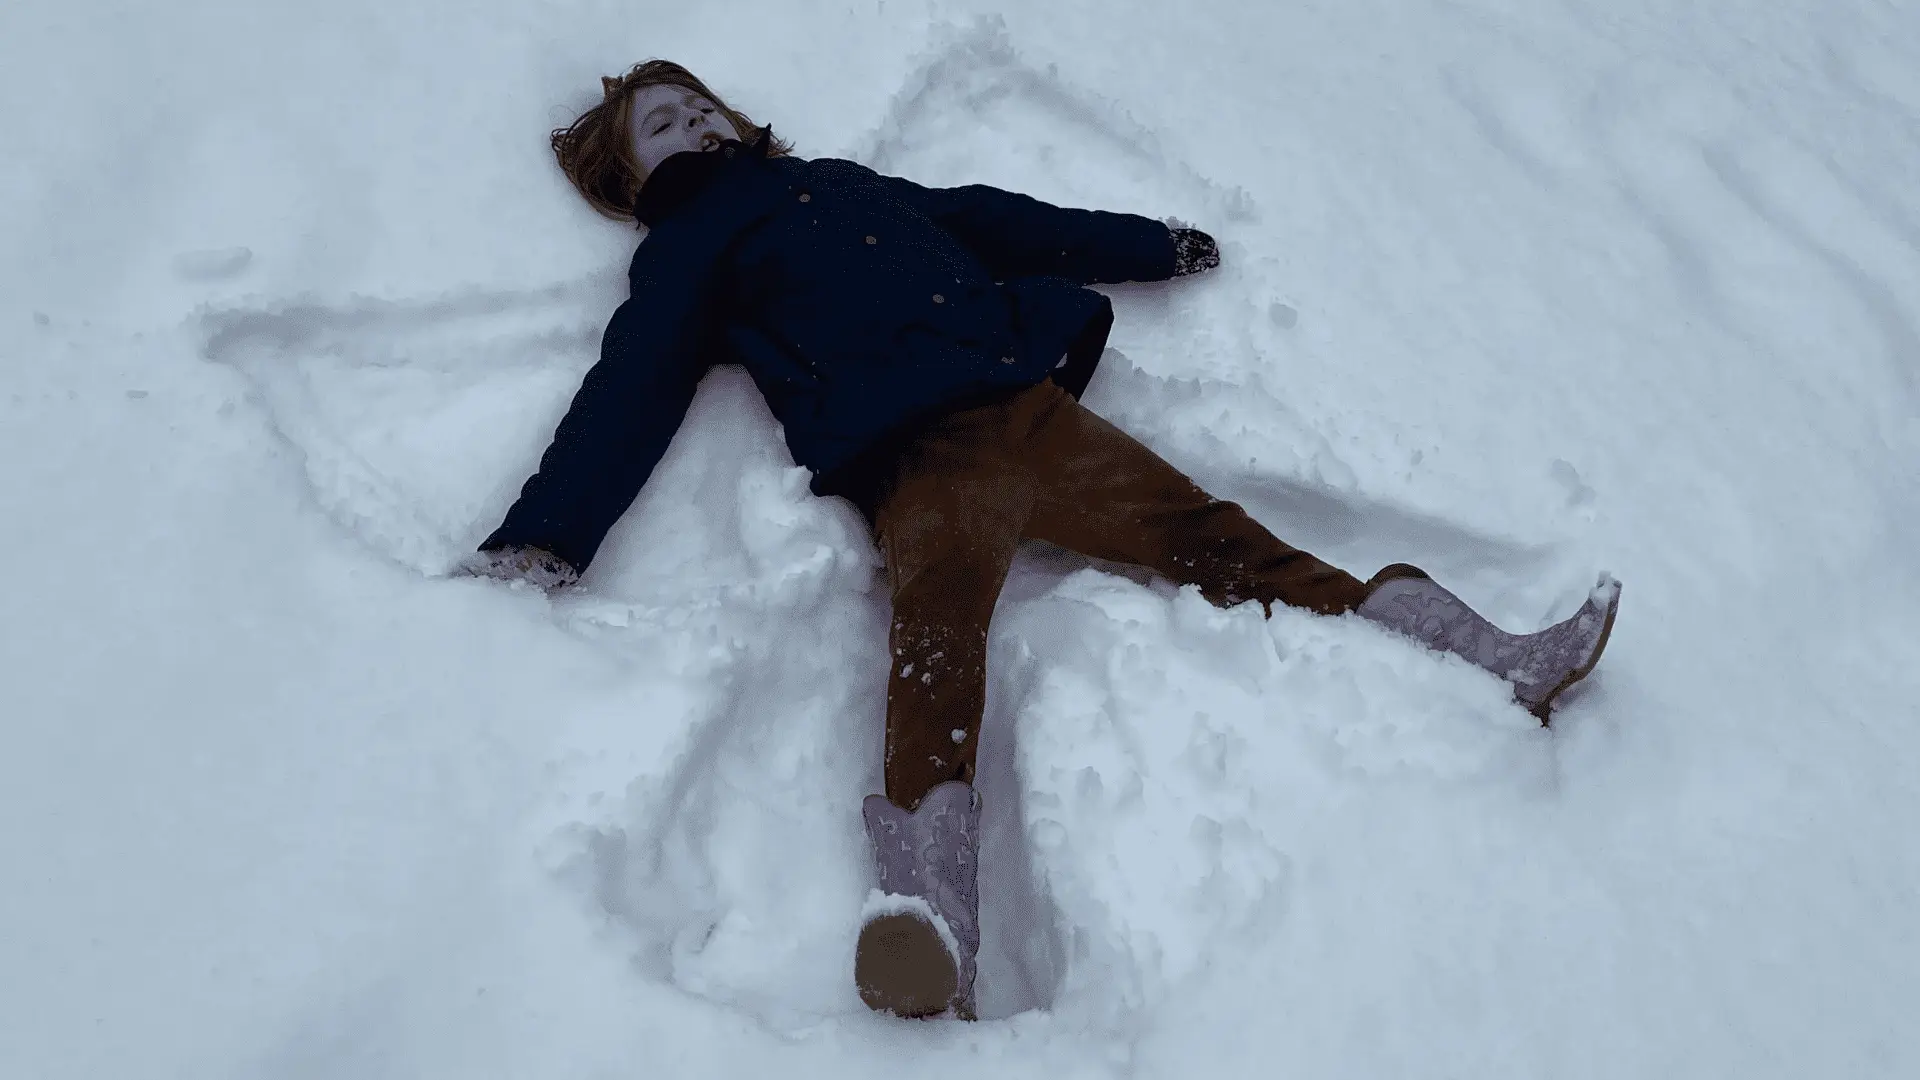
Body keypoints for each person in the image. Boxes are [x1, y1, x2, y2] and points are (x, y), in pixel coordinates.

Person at [457, 60, 1622, 1020]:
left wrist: (1146, 244)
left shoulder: (844, 180)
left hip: (1029, 412)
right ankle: (930, 917)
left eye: (700, 104)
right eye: (662, 123)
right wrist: (549, 535)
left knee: (1226, 545)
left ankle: (1481, 656)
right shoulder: (686, 253)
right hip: (913, 460)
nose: (695, 121)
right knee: (935, 649)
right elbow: (631, 388)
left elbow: (998, 222)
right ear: (630, 176)